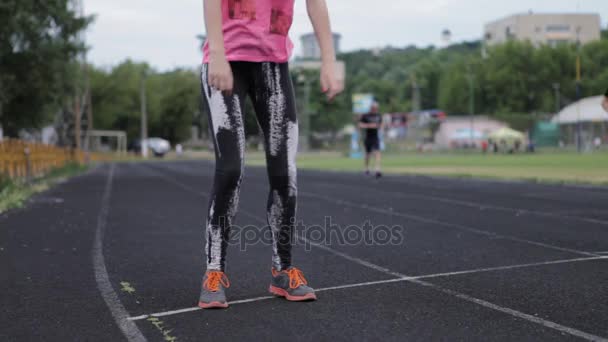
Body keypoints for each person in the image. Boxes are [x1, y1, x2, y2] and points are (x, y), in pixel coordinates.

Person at [198, 0, 343, 309]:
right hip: (227, 60)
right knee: (231, 169)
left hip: (273, 66)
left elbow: (315, 2)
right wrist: (218, 55)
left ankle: (283, 269)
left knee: (285, 173)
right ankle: (214, 272)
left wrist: (329, 61)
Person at [359, 102, 383, 178]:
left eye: (376, 108)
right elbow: (360, 125)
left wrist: (379, 126)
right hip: (368, 137)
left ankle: (377, 169)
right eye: (374, 108)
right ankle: (366, 168)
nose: (375, 109)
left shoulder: (379, 116)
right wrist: (369, 126)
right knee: (368, 154)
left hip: (375, 137)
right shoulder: (365, 116)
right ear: (371, 108)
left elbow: (381, 124)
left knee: (377, 152)